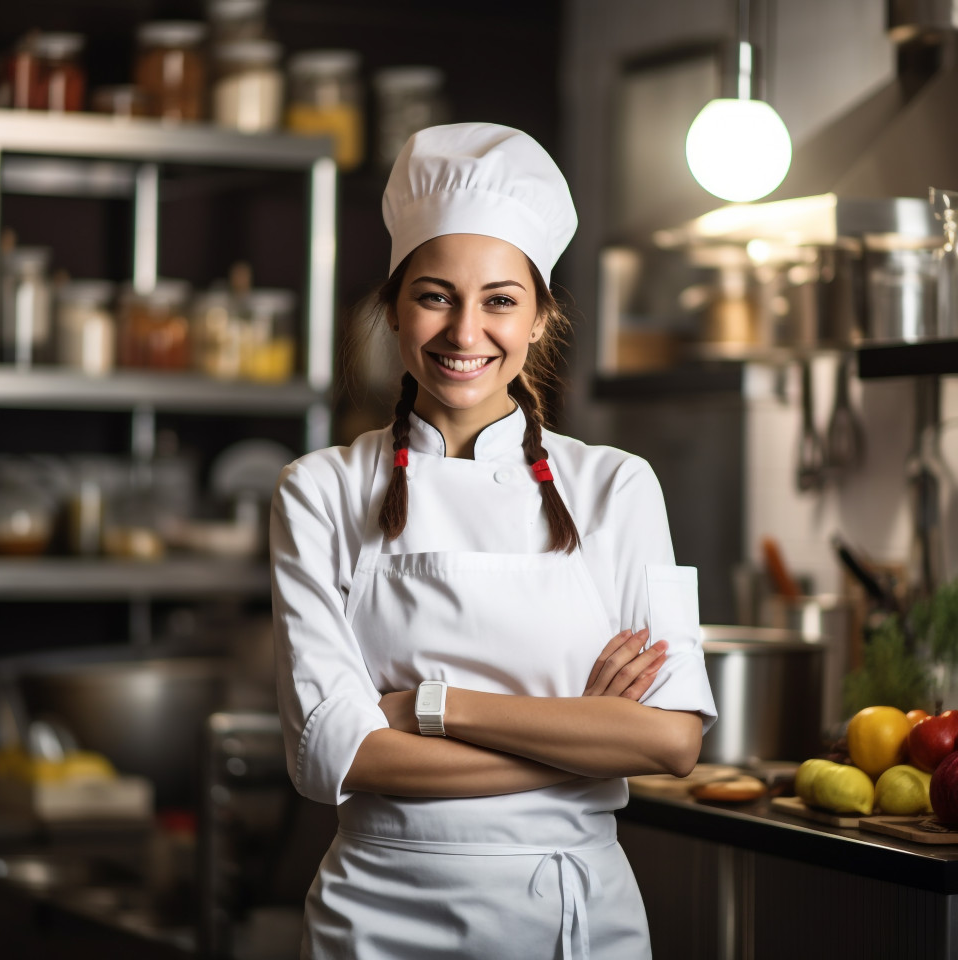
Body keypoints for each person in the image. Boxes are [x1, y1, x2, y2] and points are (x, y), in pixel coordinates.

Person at [270, 121, 717, 960]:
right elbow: (335, 753)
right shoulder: (319, 491)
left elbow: (672, 739)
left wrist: (434, 710)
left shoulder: (620, 487)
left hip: (570, 916)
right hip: (375, 917)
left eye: (500, 300)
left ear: (541, 317)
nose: (464, 332)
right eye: (435, 294)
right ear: (393, 308)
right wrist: (589, 743)